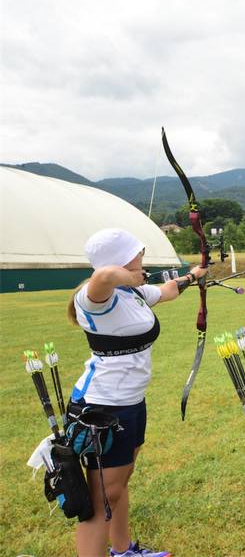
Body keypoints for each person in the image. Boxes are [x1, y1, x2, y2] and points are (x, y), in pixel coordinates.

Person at [66, 228, 207, 557]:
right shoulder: (95, 296)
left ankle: (123, 549)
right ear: (121, 259)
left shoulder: (133, 294)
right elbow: (104, 275)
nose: (142, 258)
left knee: (120, 483)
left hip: (129, 404)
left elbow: (168, 291)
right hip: (102, 407)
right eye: (136, 253)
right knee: (101, 499)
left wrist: (193, 276)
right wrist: (130, 276)